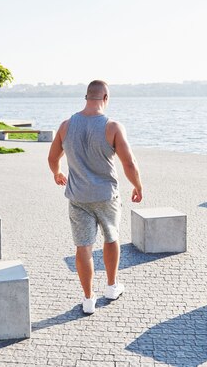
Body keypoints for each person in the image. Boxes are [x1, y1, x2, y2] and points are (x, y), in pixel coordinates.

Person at [48, 80, 143, 314]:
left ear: (86, 96)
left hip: (78, 197)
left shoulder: (66, 126)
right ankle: (111, 287)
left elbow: (52, 158)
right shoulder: (112, 127)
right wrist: (137, 186)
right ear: (106, 97)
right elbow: (128, 162)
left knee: (83, 247)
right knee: (111, 238)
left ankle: (88, 300)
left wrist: (57, 173)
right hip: (106, 196)